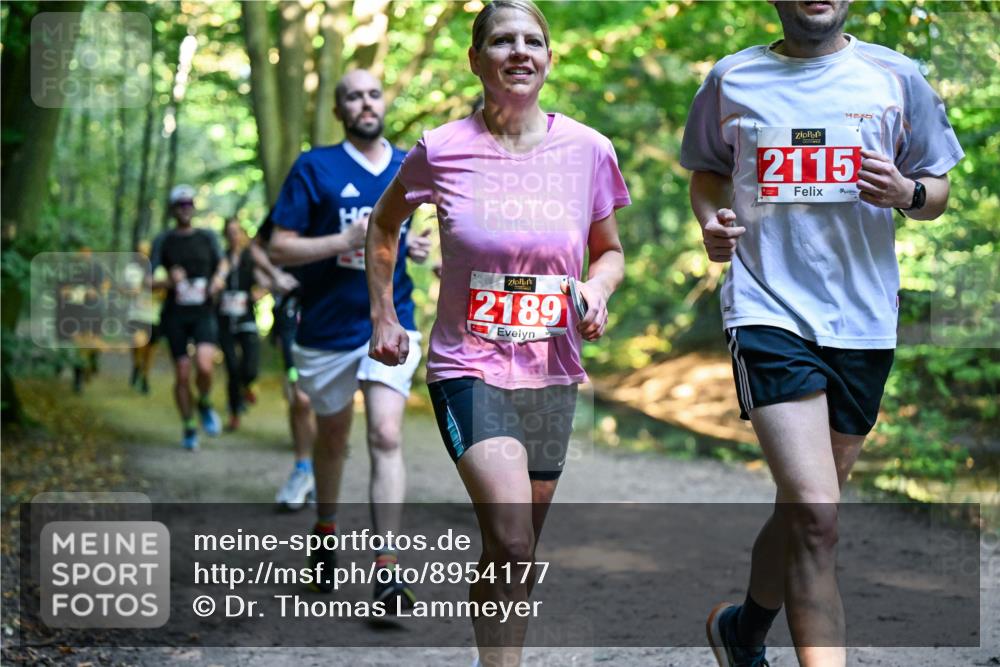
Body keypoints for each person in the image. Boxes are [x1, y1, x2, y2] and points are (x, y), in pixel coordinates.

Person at [679, 2, 964, 665]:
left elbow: (939, 187)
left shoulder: (897, 77)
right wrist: (712, 222)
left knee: (807, 508)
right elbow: (706, 172)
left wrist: (908, 194)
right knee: (817, 511)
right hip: (766, 307)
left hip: (863, 320)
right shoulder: (732, 78)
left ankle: (743, 629)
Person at [366, 1, 629, 664]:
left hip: (553, 372)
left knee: (518, 545)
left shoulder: (589, 151)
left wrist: (596, 289)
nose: (519, 51)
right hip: (467, 366)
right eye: (503, 40)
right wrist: (385, 314)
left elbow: (610, 250)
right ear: (476, 58)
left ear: (548, 58)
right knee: (512, 538)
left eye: (532, 41)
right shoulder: (442, 149)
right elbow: (384, 223)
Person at [268, 69, 432, 604]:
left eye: (373, 94)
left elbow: (439, 229)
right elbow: (278, 248)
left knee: (385, 433)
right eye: (352, 97)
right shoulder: (315, 167)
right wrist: (342, 239)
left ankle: (387, 568)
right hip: (325, 329)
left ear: (384, 102)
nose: (365, 103)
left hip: (390, 318)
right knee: (332, 438)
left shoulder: (412, 164)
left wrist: (417, 250)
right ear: (339, 110)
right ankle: (325, 533)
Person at [151, 184, 228, 450]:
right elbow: (147, 279)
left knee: (205, 366)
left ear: (194, 207)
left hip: (204, 311)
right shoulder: (164, 240)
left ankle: (205, 402)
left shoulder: (207, 237)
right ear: (173, 209)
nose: (185, 209)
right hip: (175, 316)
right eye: (180, 205)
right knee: (182, 374)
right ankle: (189, 426)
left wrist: (218, 280)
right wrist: (167, 281)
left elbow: (223, 263)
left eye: (189, 204)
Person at [250, 211, 316, 511]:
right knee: (300, 394)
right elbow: (255, 246)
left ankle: (320, 464)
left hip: (339, 311)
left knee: (324, 402)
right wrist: (273, 276)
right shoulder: (293, 198)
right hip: (293, 312)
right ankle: (303, 468)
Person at [217, 216, 261, 432]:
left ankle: (248, 385)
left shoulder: (251, 258)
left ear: (243, 234)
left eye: (237, 231)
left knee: (250, 367)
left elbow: (268, 280)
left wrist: (259, 292)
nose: (234, 236)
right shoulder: (221, 259)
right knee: (232, 368)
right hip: (225, 320)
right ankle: (234, 413)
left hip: (246, 319)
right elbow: (213, 283)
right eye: (230, 232)